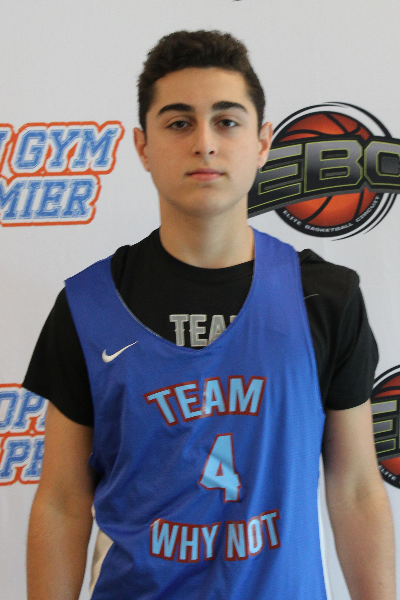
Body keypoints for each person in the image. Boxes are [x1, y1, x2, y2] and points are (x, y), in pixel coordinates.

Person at [25, 30, 395, 600]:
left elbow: (355, 488)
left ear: (263, 141)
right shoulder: (88, 304)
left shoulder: (324, 298)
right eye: (179, 123)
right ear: (143, 146)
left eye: (226, 121)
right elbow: (62, 501)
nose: (204, 143)